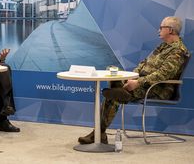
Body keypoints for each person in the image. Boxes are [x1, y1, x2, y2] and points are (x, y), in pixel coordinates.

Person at [78, 16, 190, 144]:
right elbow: (144, 63)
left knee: (113, 94)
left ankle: (99, 133)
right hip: (142, 84)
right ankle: (102, 128)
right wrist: (132, 76)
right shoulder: (163, 46)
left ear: (170, 30)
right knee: (114, 80)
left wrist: (138, 83)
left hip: (157, 89)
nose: (158, 30)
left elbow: (162, 75)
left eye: (161, 28)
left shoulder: (178, 51)